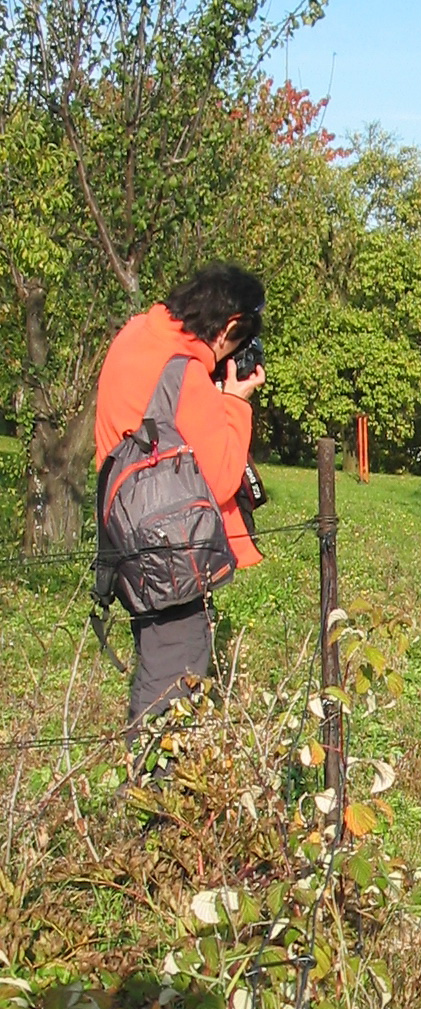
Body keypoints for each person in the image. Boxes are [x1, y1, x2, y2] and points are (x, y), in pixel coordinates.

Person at [94, 262, 266, 733]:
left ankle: (156, 787)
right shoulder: (185, 373)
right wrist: (233, 401)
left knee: (157, 665)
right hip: (171, 553)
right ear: (230, 325)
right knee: (173, 685)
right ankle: (156, 797)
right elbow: (226, 473)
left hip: (127, 532)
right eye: (239, 342)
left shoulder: (135, 336)